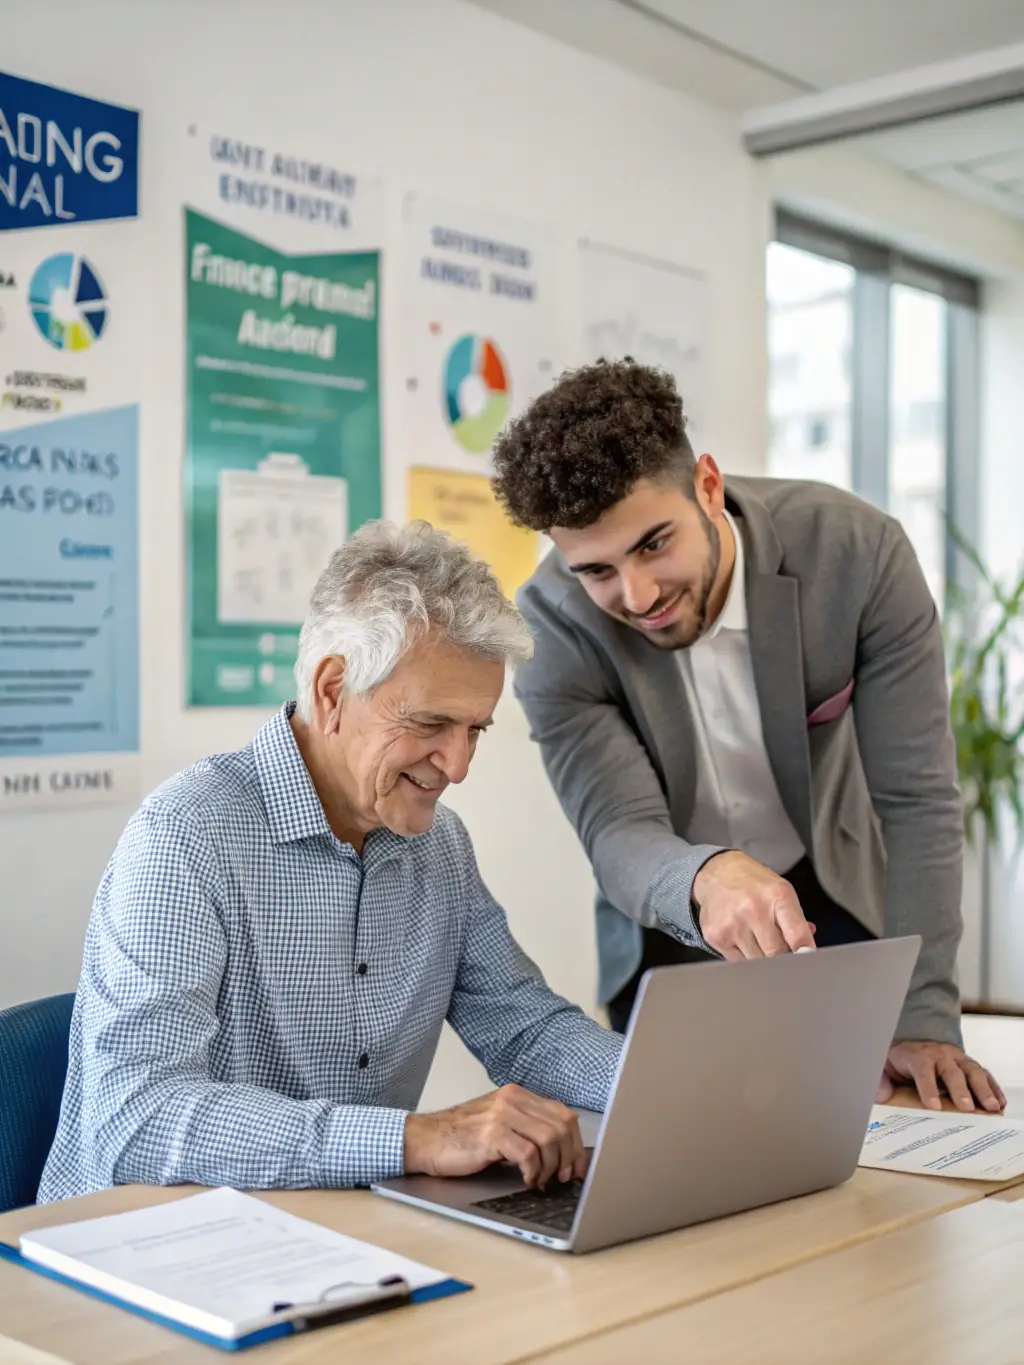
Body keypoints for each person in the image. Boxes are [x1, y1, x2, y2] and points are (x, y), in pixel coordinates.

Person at [39, 522, 622, 1203]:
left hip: (331, 1235)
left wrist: (681, 1080)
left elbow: (525, 1026)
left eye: (475, 730)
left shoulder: (440, 847)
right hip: (136, 1251)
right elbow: (135, 1117)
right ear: (330, 690)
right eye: (432, 724)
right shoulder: (184, 837)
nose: (459, 765)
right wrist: (413, 1138)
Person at [491, 358, 1004, 1116]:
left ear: (706, 485)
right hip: (669, 918)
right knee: (689, 1168)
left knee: (869, 1158)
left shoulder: (857, 554)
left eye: (654, 544)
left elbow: (915, 800)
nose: (637, 596)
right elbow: (619, 829)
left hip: (835, 901)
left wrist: (923, 1014)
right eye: (596, 569)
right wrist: (706, 878)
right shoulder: (555, 623)